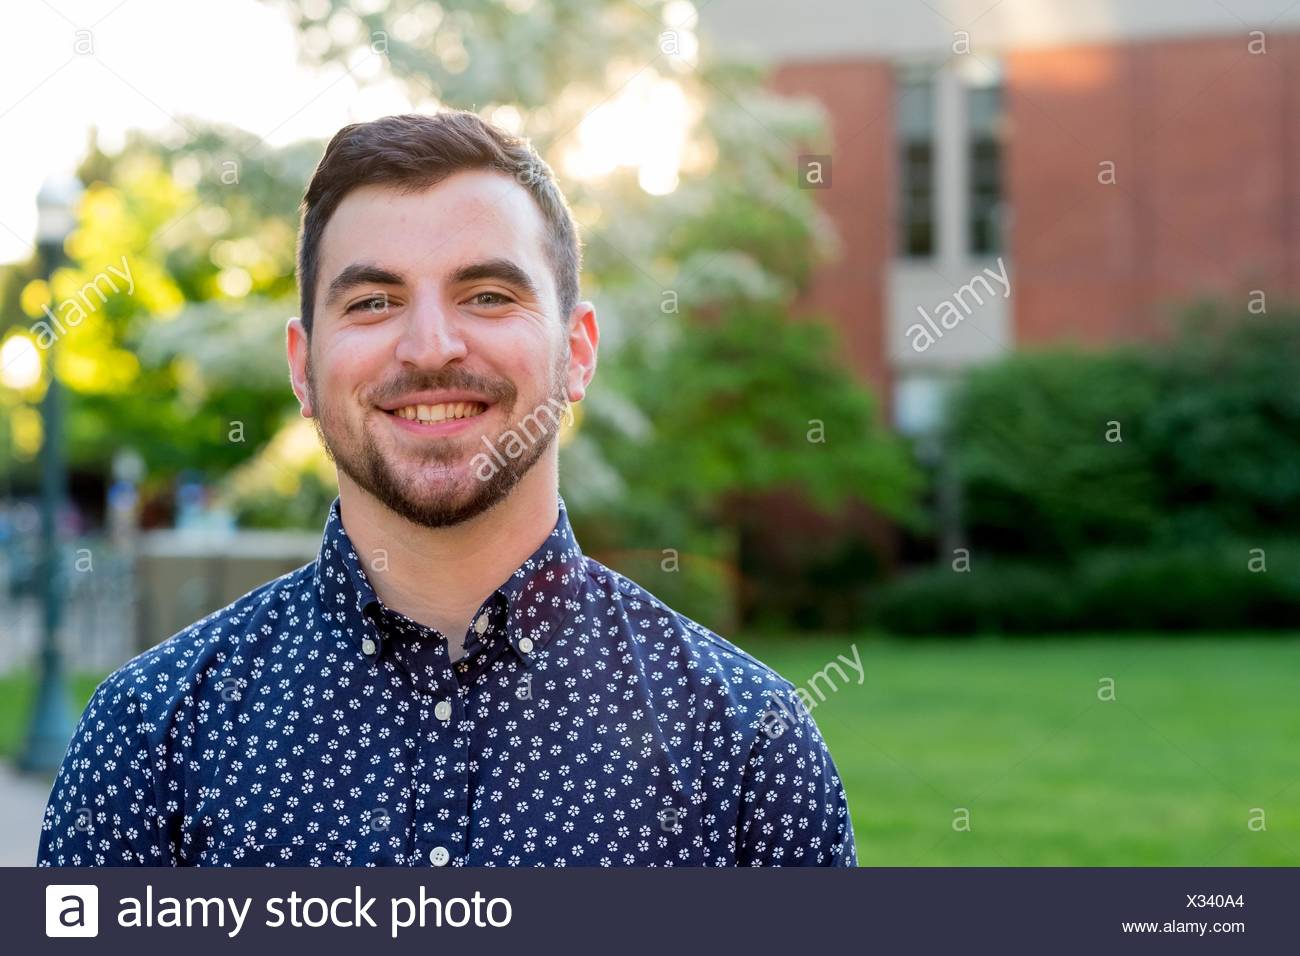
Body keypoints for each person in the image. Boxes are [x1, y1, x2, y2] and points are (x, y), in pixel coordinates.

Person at [37, 111, 856, 867]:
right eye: (372, 301)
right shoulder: (148, 741)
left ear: (577, 352)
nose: (430, 346)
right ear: (302, 367)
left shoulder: (749, 751)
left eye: (488, 295)